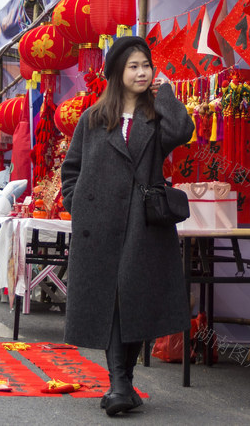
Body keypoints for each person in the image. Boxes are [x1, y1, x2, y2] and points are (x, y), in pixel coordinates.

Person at [61, 35, 194, 417]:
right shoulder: (94, 118)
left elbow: (182, 131)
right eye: (133, 66)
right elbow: (72, 168)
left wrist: (165, 91)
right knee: (110, 299)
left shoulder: (156, 117)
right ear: (118, 72)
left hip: (142, 222)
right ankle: (121, 384)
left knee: (132, 299)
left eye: (146, 65)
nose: (141, 72)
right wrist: (76, 203)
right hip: (98, 223)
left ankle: (121, 383)